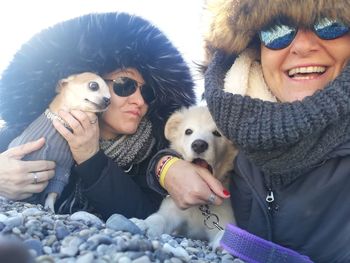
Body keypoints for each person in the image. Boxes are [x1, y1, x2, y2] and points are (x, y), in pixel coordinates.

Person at [147, 0, 350, 262]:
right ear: (252, 51)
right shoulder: (235, 129)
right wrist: (165, 166)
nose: (302, 46)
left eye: (330, 24)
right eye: (277, 29)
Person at [0, 12, 195, 220]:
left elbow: (147, 219)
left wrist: (91, 157)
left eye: (148, 93)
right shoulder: (28, 131)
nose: (139, 101)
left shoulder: (152, 160)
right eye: (124, 85)